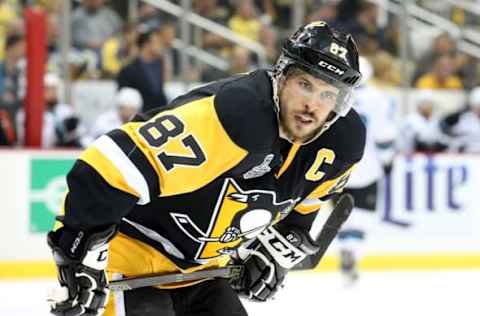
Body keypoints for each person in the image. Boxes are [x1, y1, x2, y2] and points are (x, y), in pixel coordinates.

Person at [46, 21, 365, 316]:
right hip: (128, 262)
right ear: (281, 77)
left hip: (200, 273)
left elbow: (304, 206)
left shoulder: (339, 144)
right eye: (304, 85)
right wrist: (79, 254)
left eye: (327, 94)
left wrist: (271, 250)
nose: (313, 105)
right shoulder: (238, 116)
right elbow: (104, 167)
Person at [335, 57, 397, 284]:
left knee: (341, 217)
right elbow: (385, 138)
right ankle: (352, 250)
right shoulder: (377, 99)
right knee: (364, 216)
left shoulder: (333, 93)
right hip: (367, 168)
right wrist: (388, 161)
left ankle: (345, 246)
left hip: (337, 169)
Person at [116, 19, 168, 112]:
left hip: (158, 113)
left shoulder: (159, 63)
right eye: (157, 43)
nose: (161, 46)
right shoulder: (128, 69)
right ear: (146, 44)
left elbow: (160, 92)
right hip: (139, 116)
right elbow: (124, 97)